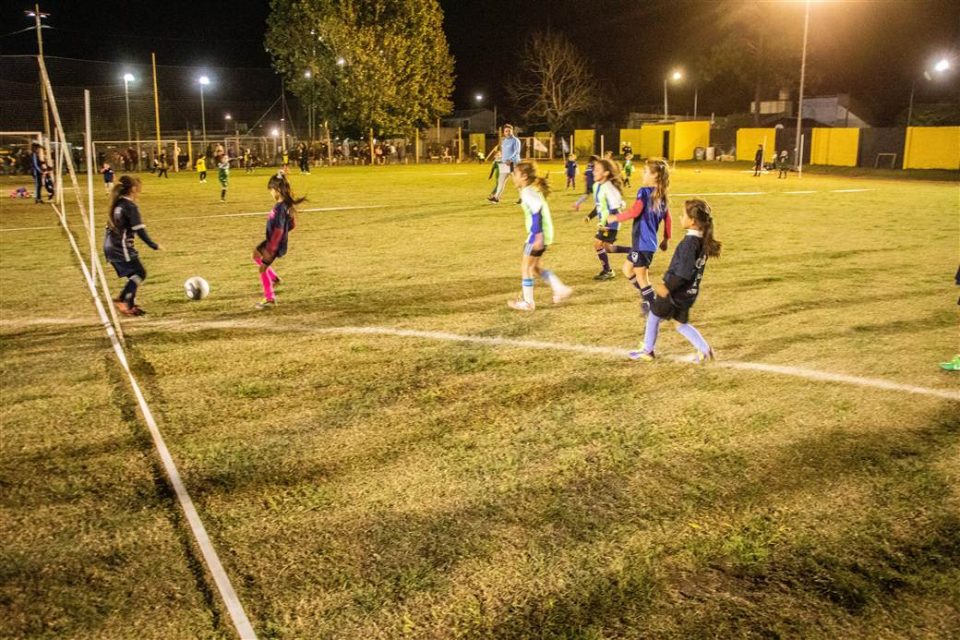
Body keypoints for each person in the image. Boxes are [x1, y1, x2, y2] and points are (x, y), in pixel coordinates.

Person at [629, 198, 721, 362]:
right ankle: (705, 351)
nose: (680, 217)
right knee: (680, 324)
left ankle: (647, 350)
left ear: (692, 221)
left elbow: (682, 272)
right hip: (689, 293)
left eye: (683, 215)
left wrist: (666, 287)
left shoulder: (690, 243)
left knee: (654, 316)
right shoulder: (702, 241)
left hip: (674, 293)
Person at [607, 158, 672, 315]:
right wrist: (665, 238)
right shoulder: (662, 196)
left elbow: (635, 211)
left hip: (643, 243)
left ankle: (653, 307)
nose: (642, 173)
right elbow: (668, 218)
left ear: (655, 175)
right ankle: (647, 295)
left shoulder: (644, 192)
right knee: (627, 269)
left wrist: (616, 218)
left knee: (641, 277)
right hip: (646, 244)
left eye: (645, 171)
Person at [507, 161, 572, 311]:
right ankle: (560, 288)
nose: (513, 176)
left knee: (526, 268)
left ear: (524, 176)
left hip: (537, 234)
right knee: (535, 267)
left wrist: (537, 236)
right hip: (544, 233)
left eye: (515, 174)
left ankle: (528, 302)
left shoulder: (527, 192)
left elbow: (537, 212)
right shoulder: (530, 189)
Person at [103, 176, 161, 316]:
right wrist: (153, 245)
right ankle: (125, 302)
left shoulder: (117, 203)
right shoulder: (129, 206)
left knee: (134, 274)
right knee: (139, 273)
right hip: (120, 247)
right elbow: (139, 229)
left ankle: (125, 300)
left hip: (110, 245)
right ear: (133, 189)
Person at [253, 173, 303, 309]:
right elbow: (292, 225)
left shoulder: (280, 208)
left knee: (262, 269)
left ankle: (270, 298)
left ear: (277, 190)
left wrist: (272, 248)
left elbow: (280, 230)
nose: (271, 193)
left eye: (271, 190)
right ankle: (274, 279)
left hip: (274, 244)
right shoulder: (284, 205)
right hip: (272, 241)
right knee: (256, 254)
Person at [583, 158, 624, 281]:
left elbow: (614, 210)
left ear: (606, 173)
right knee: (608, 248)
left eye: (597, 170)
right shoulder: (597, 186)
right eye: (594, 169)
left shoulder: (610, 188)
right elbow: (600, 205)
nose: (593, 172)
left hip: (611, 223)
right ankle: (635, 252)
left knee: (598, 244)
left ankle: (608, 271)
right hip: (604, 223)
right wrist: (590, 216)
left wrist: (605, 223)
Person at [488, 124, 521, 203]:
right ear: (504, 132)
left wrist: (510, 159)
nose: (507, 132)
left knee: (517, 181)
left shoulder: (516, 140)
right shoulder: (504, 141)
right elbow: (504, 152)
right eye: (506, 131)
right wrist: (501, 159)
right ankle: (496, 197)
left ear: (512, 131)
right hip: (504, 164)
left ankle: (523, 197)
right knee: (501, 181)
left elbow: (517, 152)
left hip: (513, 164)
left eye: (509, 131)